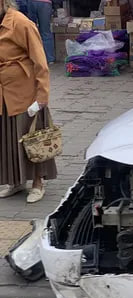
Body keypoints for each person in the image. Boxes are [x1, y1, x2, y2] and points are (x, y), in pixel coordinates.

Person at [0, 0, 56, 203]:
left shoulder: (20, 22)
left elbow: (40, 62)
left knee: (31, 137)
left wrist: (42, 97)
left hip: (25, 92)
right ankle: (16, 181)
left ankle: (38, 182)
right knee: (8, 138)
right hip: (3, 93)